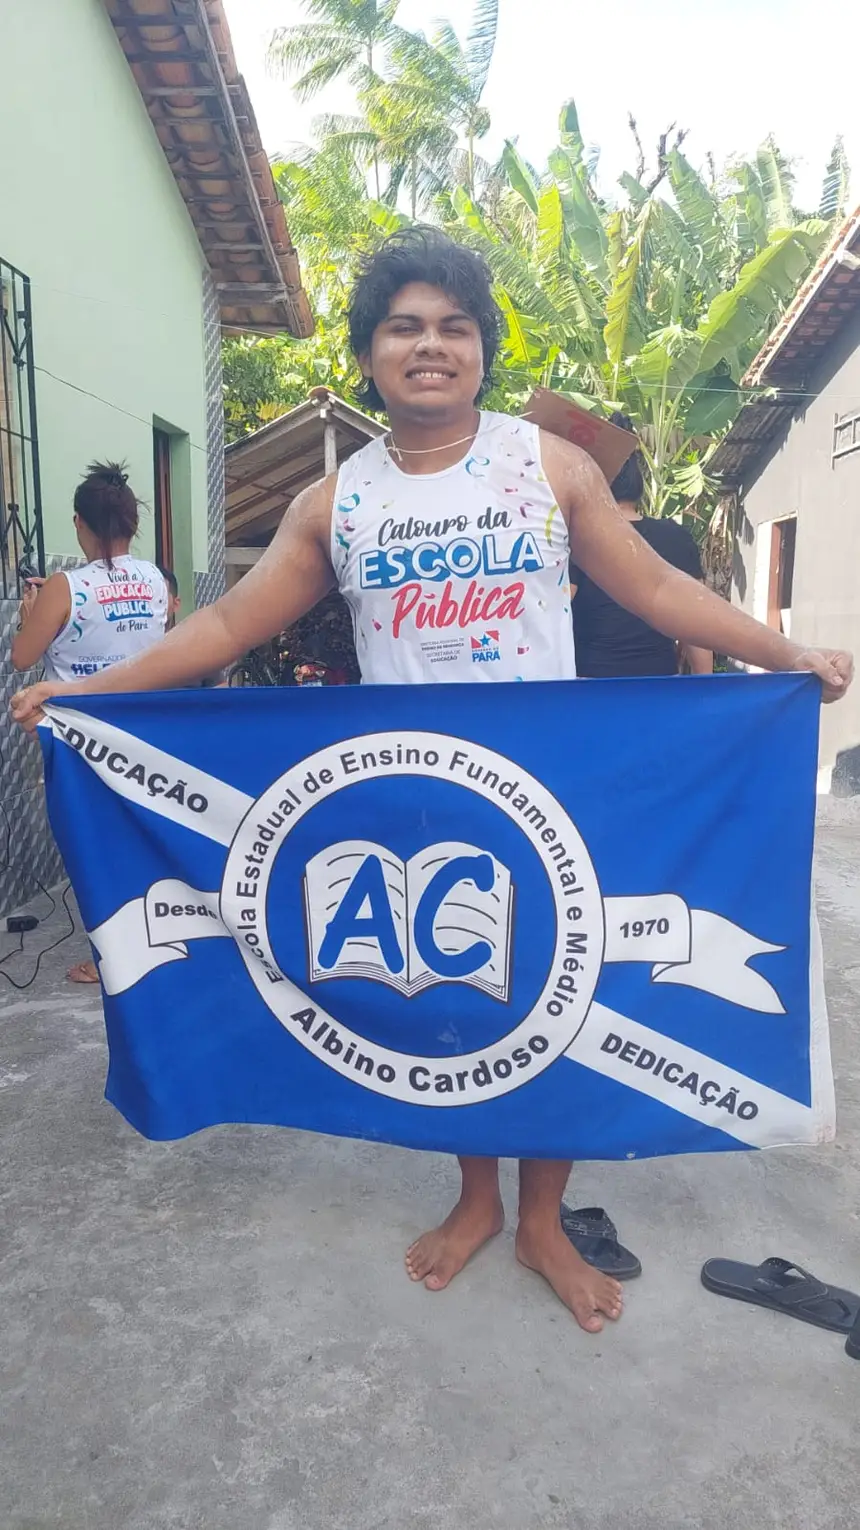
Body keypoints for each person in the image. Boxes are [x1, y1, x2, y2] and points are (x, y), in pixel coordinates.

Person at [11, 230, 853, 1333]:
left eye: (453, 327)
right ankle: (472, 1202)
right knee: (452, 1001)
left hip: (548, 785)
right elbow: (222, 623)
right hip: (407, 789)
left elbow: (649, 587)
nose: (429, 346)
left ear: (481, 351)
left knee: (558, 991)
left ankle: (543, 1218)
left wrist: (777, 650)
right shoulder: (335, 503)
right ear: (369, 353)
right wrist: (98, 692)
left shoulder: (549, 467)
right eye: (404, 327)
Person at [12, 460, 167, 982]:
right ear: (130, 524)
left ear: (80, 523)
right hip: (146, 728)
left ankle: (113, 957)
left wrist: (33, 611)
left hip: (81, 737)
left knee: (93, 844)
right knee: (139, 837)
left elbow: (21, 657)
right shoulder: (154, 578)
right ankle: (151, 938)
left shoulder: (65, 586)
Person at [571, 415, 713, 677]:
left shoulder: (578, 539)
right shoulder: (676, 537)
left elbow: (553, 616)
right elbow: (698, 623)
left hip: (590, 691)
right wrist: (705, 693)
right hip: (658, 689)